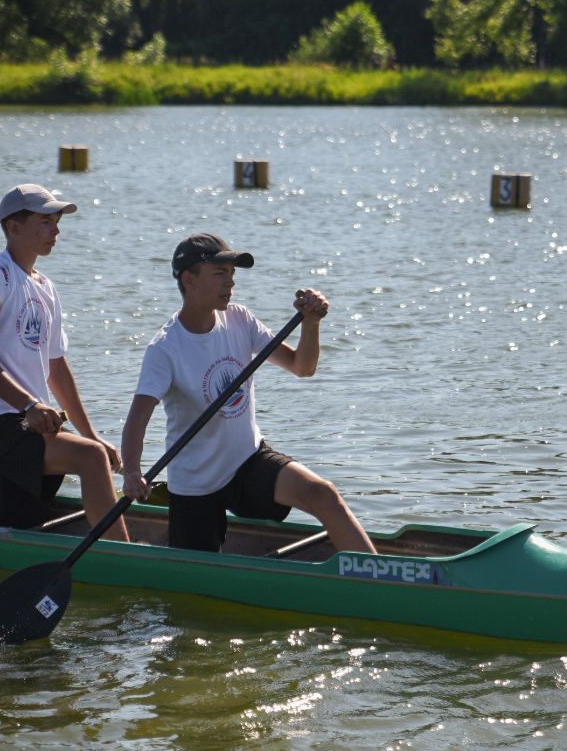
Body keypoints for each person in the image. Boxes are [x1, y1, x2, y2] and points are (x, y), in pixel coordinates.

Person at [119, 232, 376, 555]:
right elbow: (138, 419)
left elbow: (302, 367)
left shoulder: (240, 319)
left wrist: (311, 324)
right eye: (220, 274)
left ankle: (381, 579)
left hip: (246, 462)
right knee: (199, 578)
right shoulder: (165, 348)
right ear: (189, 279)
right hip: (196, 482)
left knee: (323, 494)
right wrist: (131, 471)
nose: (231, 283)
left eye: (232, 274)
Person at [0, 184, 128, 540]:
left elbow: (57, 370)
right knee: (91, 459)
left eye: (57, 222)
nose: (56, 231)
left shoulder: (46, 288)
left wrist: (92, 434)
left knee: (15, 521)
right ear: (14, 227)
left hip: (32, 421)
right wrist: (30, 404)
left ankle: (4, 535)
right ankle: (125, 554)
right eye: (46, 222)